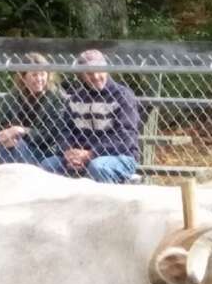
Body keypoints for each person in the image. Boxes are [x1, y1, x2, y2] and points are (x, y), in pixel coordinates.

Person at [41, 49, 141, 184]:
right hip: (81, 156)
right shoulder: (75, 99)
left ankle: (106, 204)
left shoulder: (122, 96)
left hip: (119, 157)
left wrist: (90, 154)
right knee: (48, 165)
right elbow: (64, 131)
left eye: (99, 70)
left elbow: (125, 137)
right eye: (89, 73)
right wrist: (69, 152)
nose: (95, 76)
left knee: (97, 167)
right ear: (82, 75)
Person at [0, 53, 66, 167]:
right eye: (34, 75)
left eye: (43, 74)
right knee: (7, 145)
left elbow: (51, 135)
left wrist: (21, 131)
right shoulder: (12, 97)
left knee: (17, 146)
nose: (39, 79)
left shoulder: (57, 98)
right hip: (17, 147)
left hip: (47, 151)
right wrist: (1, 137)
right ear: (23, 77)